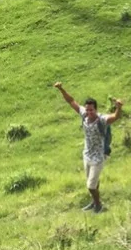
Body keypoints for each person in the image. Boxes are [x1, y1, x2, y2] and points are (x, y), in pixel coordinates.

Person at [53, 81, 123, 212]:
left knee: (90, 186)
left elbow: (115, 117)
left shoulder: (102, 120)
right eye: (88, 109)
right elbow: (71, 101)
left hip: (98, 157)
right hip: (87, 155)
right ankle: (94, 202)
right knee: (93, 183)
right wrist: (61, 89)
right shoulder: (84, 115)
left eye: (92, 110)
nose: (89, 112)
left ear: (96, 109)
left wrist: (118, 107)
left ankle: (98, 206)